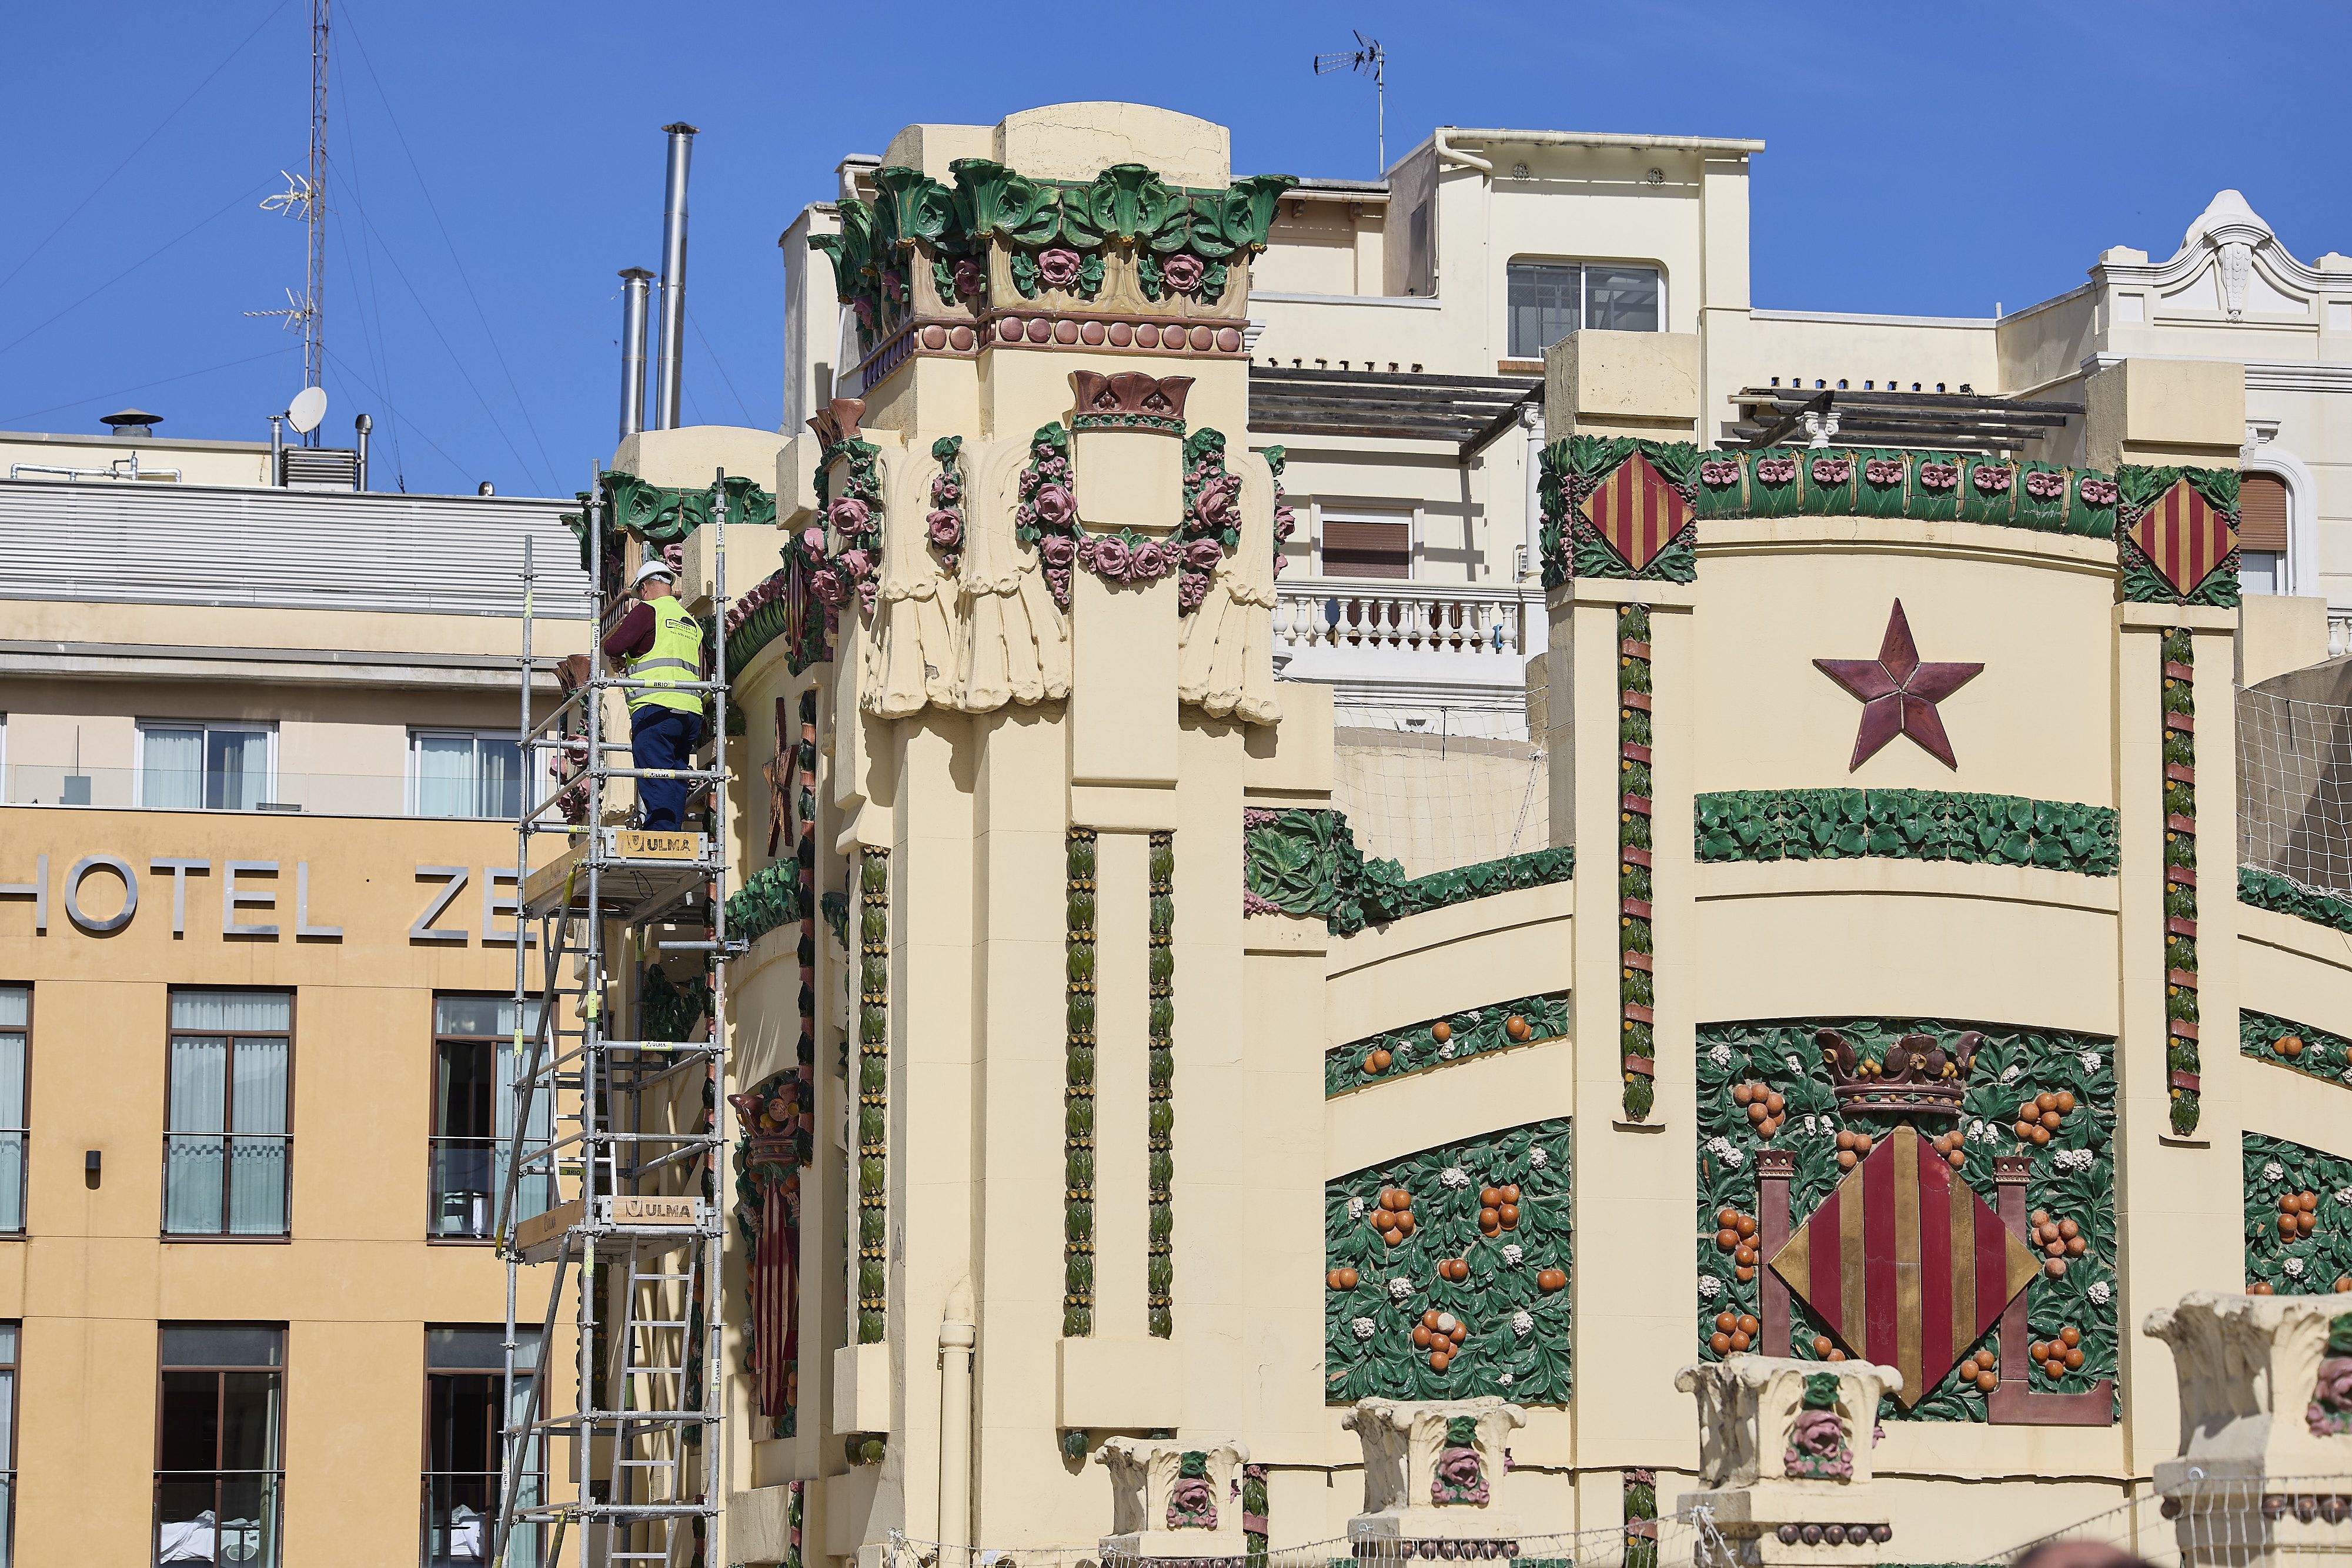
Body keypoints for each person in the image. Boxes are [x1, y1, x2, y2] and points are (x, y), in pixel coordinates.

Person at [602, 556, 707, 831]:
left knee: (655, 773)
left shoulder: (647, 611)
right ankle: (671, 832)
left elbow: (613, 646)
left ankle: (660, 835)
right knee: (675, 775)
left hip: (655, 709)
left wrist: (622, 655)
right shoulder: (691, 623)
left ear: (645, 588)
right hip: (691, 713)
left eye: (639, 593)